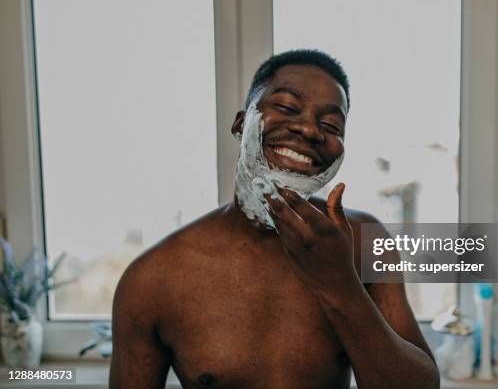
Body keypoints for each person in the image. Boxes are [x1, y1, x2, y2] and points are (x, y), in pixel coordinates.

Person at [110, 49, 439, 389]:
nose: (309, 130)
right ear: (241, 124)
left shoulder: (366, 243)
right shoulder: (152, 280)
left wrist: (340, 284)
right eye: (285, 107)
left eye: (330, 125)